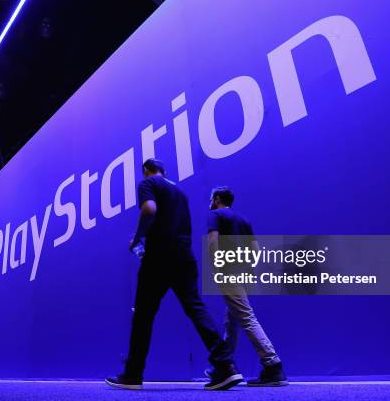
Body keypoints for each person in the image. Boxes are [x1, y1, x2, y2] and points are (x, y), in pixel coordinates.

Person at [105, 159, 242, 391]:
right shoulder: (179, 191)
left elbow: (149, 209)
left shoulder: (148, 183)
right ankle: (226, 366)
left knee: (143, 317)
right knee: (196, 308)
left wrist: (138, 238)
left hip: (158, 256)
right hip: (184, 256)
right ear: (164, 171)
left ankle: (132, 375)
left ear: (146, 171)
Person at [206, 186, 287, 386]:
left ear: (217, 199)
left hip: (229, 272)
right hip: (246, 274)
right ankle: (224, 366)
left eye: (211, 198)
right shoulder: (243, 220)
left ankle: (272, 364)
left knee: (246, 318)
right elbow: (255, 250)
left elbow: (212, 243)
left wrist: (219, 268)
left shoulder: (215, 215)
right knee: (231, 322)